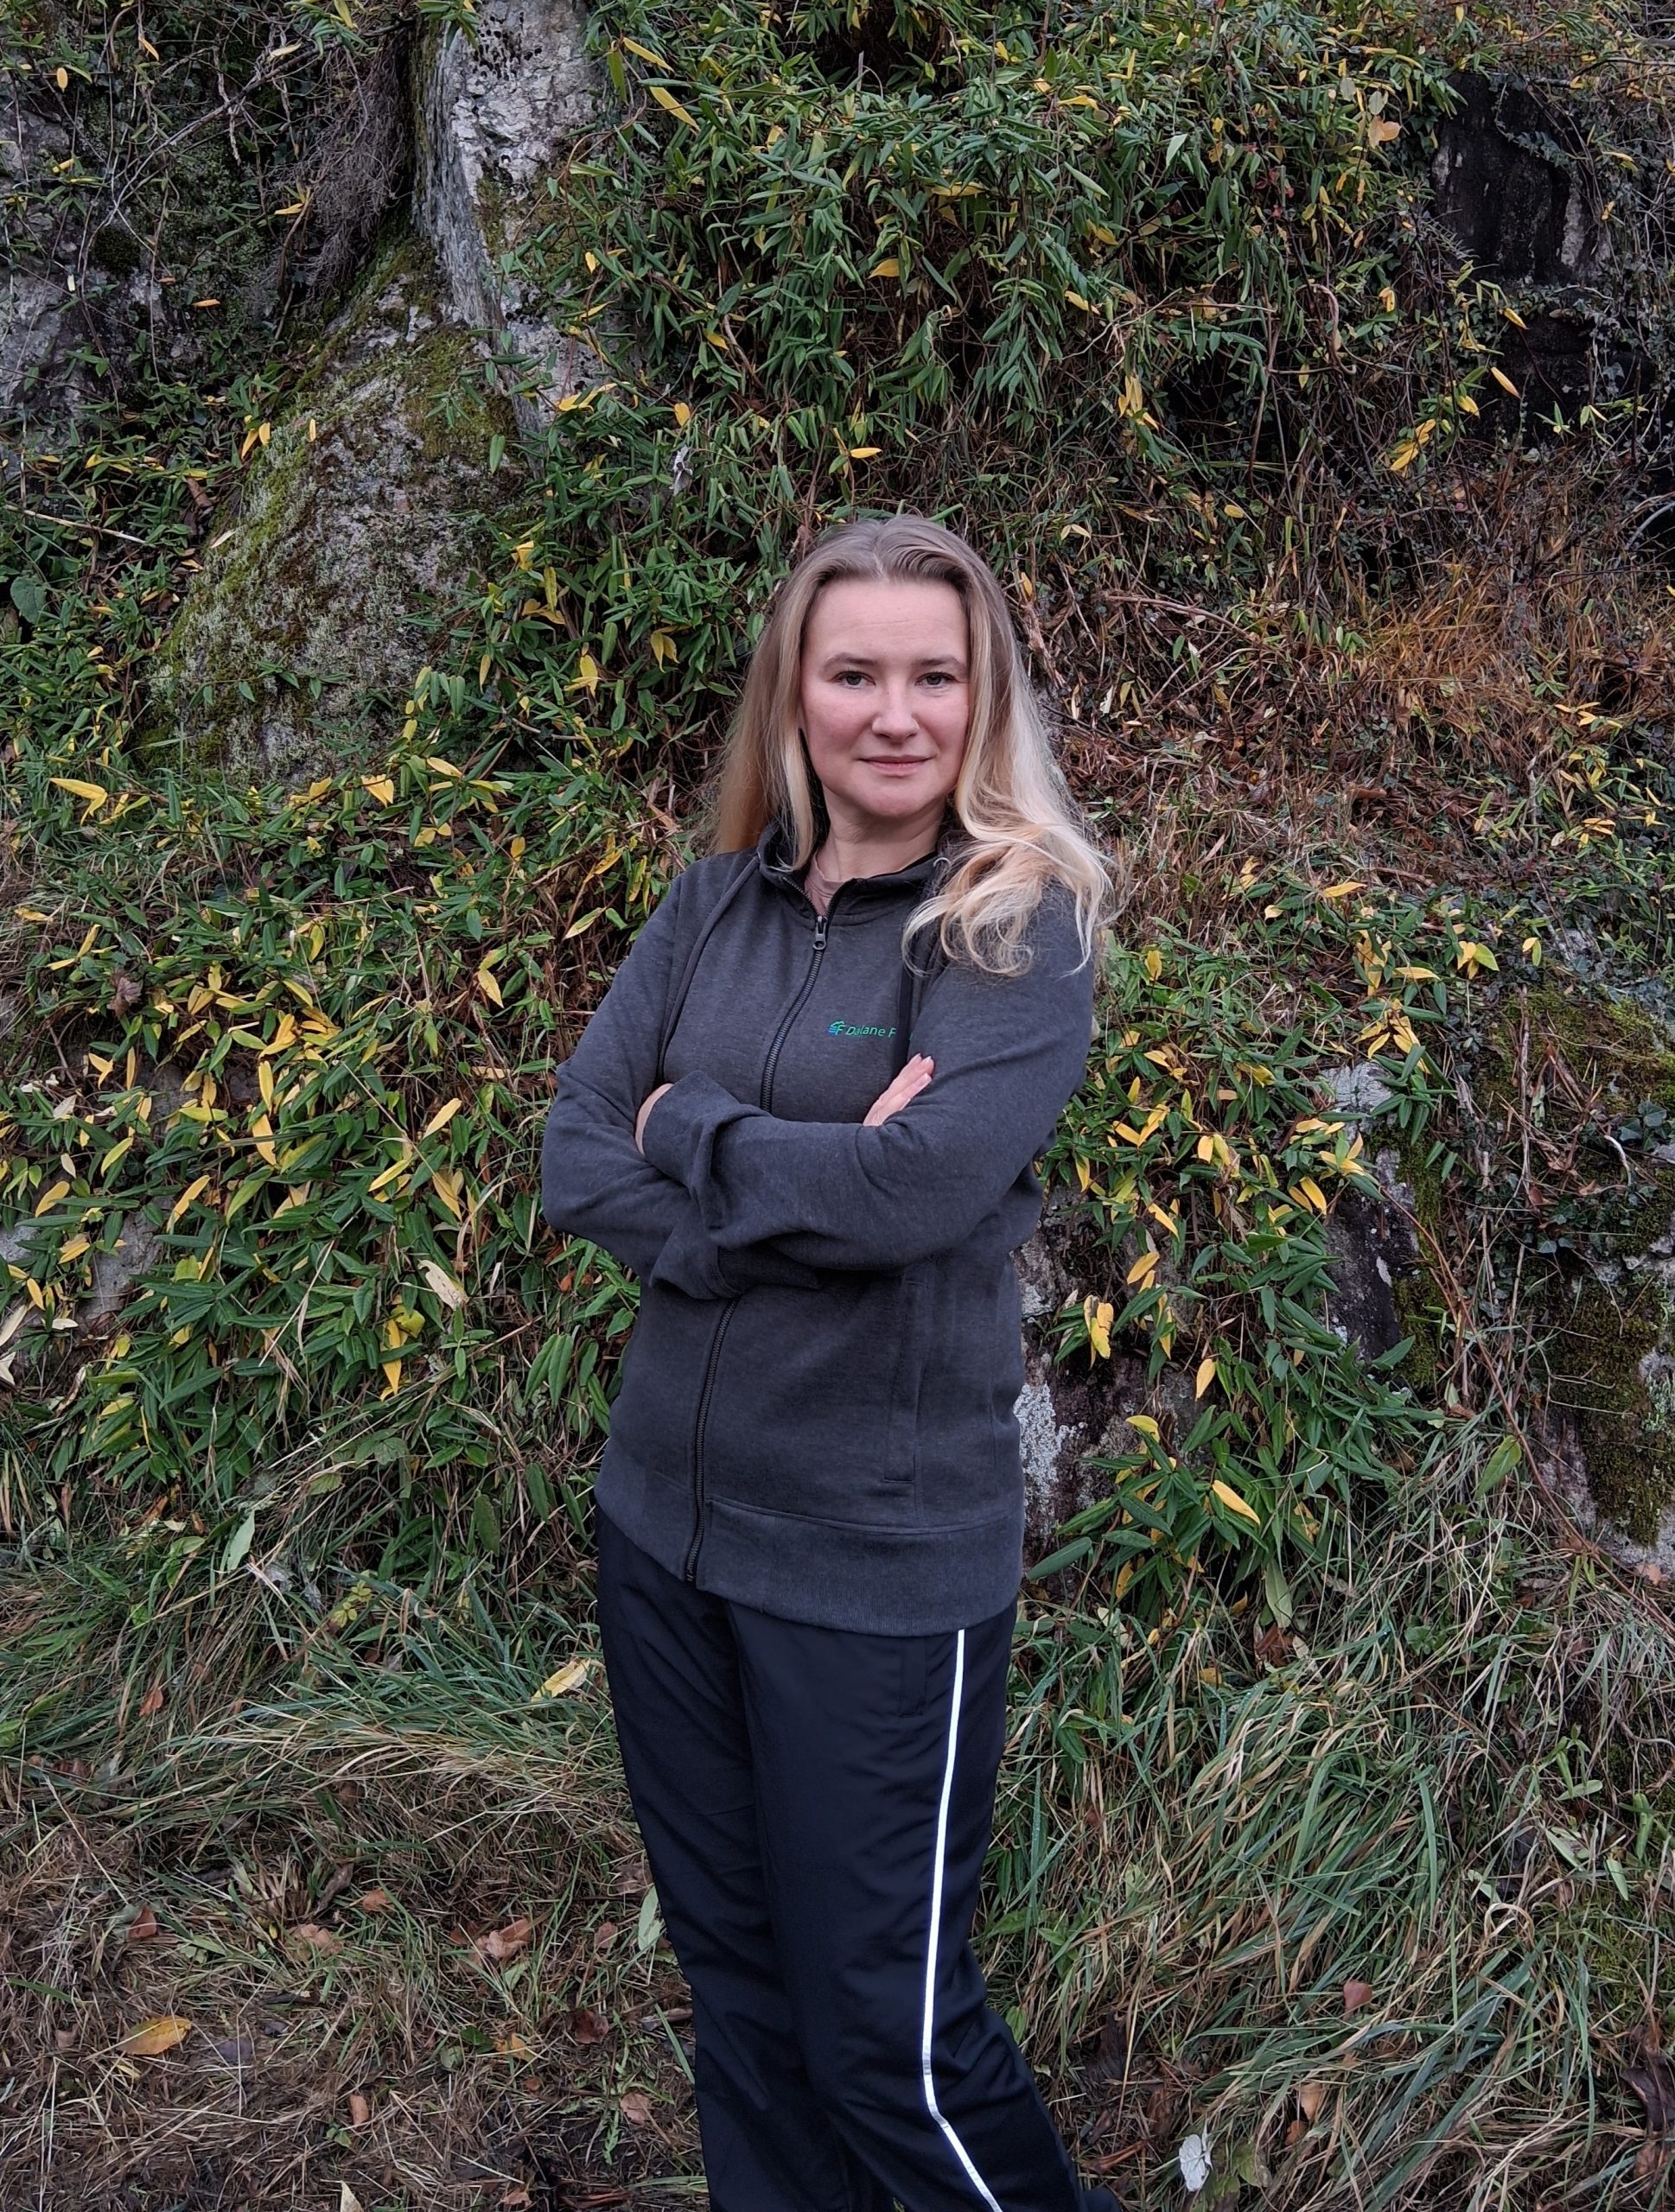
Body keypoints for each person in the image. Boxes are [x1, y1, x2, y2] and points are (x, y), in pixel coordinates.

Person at [540, 513, 1119, 2212]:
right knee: (740, 1989)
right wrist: (812, 1184)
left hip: (872, 1565)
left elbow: (913, 1191)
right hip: (664, 1531)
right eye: (854, 671)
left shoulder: (1011, 931)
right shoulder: (711, 904)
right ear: (794, 693)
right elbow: (576, 1157)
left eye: (935, 675)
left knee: (888, 2038)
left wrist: (694, 1129)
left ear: (983, 696)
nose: (895, 712)